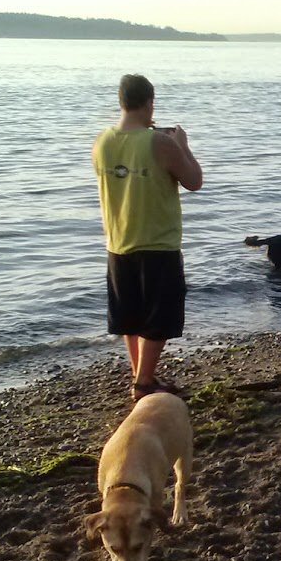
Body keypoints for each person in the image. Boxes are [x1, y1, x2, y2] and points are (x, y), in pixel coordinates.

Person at [93, 74, 203, 401]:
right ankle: (142, 385)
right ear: (149, 102)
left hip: (118, 241)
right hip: (157, 242)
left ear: (121, 101)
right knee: (159, 318)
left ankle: (143, 376)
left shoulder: (102, 142)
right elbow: (194, 180)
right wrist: (183, 144)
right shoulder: (160, 143)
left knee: (131, 317)